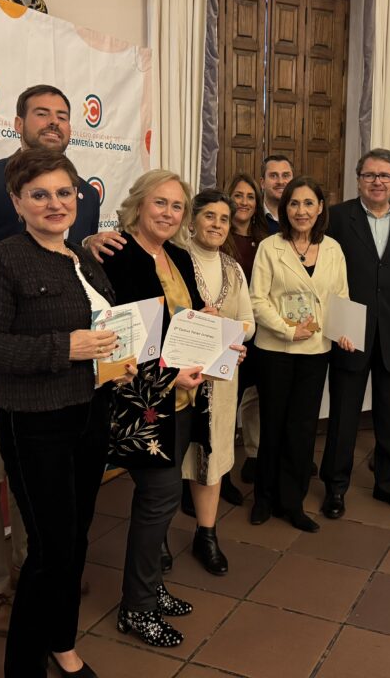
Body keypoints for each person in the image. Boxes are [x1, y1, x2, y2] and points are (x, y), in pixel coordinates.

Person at [0, 84, 113, 635]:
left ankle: (40, 566)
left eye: (63, 115)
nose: (53, 123)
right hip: (0, 362)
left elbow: (70, 260)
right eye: (41, 114)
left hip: (67, 368)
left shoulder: (84, 193)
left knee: (44, 472)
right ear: (18, 123)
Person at [0, 147, 126, 678]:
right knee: (50, 549)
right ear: (17, 202)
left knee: (75, 539)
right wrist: (64, 347)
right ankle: (23, 668)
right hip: (35, 422)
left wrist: (129, 363)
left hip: (90, 414)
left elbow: (107, 334)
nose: (55, 203)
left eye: (63, 192)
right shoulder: (3, 260)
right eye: (39, 194)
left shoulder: (83, 257)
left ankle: (62, 642)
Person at [100, 170, 243, 648]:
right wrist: (167, 377)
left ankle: (149, 587)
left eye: (177, 206)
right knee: (158, 500)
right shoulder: (116, 255)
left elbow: (190, 320)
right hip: (144, 403)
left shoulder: (178, 255)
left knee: (159, 504)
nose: (168, 213)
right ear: (139, 204)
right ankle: (137, 608)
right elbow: (116, 339)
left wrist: (221, 340)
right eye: (159, 202)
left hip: (183, 400)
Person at [322, 148, 390, 519]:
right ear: (358, 179)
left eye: (385, 175)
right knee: (344, 417)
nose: (377, 182)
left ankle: (389, 485)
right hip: (349, 333)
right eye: (370, 175)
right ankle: (335, 488)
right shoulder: (337, 218)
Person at [250, 175, 353, 531]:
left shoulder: (333, 249)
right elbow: (257, 300)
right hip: (275, 349)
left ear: (321, 208)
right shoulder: (270, 247)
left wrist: (344, 331)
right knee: (273, 424)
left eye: (309, 203)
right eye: (294, 203)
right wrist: (287, 328)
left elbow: (340, 296)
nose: (301, 211)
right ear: (284, 209)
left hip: (315, 350)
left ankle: (292, 502)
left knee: (302, 428)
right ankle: (264, 498)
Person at [182, 189, 255, 574]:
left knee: (210, 459)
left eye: (224, 219)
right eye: (209, 216)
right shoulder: (175, 259)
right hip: (179, 379)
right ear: (192, 221)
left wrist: (225, 329)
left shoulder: (233, 268)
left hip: (222, 379)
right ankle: (157, 539)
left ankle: (206, 535)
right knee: (173, 459)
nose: (217, 224)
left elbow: (249, 323)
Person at [226, 173, 270, 484]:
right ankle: (221, 469)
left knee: (254, 396)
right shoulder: (218, 234)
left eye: (250, 197)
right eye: (238, 195)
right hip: (229, 332)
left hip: (261, 331)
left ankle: (254, 456)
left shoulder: (267, 239)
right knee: (228, 399)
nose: (244, 202)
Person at [260, 155, 294, 232]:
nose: (280, 182)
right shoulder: (251, 216)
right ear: (262, 183)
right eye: (273, 176)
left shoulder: (302, 216)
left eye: (285, 175)